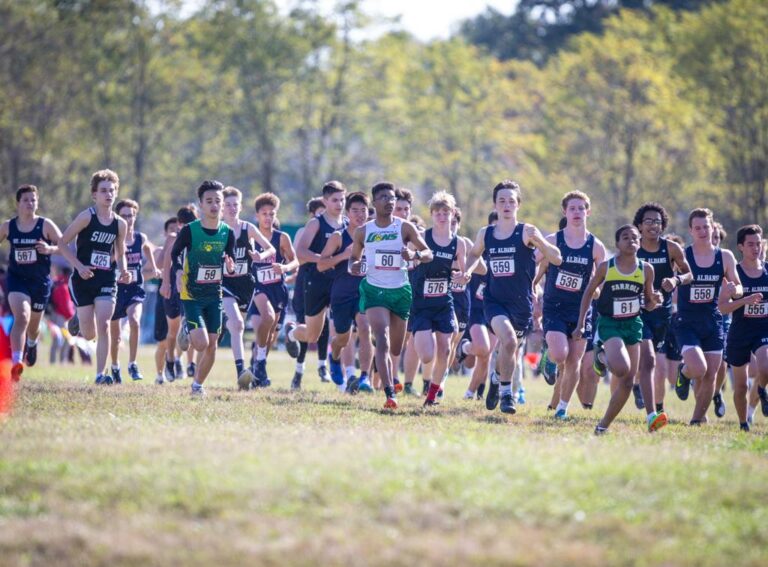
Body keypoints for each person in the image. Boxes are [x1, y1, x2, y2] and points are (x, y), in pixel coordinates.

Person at [462, 180, 562, 415]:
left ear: (518, 204)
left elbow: (556, 259)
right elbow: (474, 254)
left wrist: (542, 243)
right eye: (501, 201)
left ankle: (497, 379)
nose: (506, 205)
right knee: (506, 340)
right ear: (495, 204)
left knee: (509, 349)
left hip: (522, 304)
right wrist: (467, 271)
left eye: (511, 201)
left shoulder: (527, 231)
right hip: (494, 301)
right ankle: (508, 395)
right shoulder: (486, 233)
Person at [349, 182, 433, 410]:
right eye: (384, 197)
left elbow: (428, 253)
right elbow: (354, 258)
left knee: (396, 348)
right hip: (374, 290)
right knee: (382, 340)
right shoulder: (364, 231)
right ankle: (389, 394)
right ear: (374, 203)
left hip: (400, 292)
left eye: (392, 198)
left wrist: (414, 253)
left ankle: (386, 374)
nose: (389, 201)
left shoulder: (405, 228)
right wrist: (355, 265)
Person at [574, 224, 665, 434]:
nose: (631, 241)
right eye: (626, 237)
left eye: (635, 238)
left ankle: (602, 426)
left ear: (640, 242)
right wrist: (581, 323)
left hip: (633, 325)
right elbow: (588, 292)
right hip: (610, 323)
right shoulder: (608, 267)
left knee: (626, 382)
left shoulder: (646, 269)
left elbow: (649, 303)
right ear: (617, 244)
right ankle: (601, 357)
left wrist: (656, 300)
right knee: (622, 369)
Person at [58, 170, 131, 385]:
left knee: (105, 324)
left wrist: (123, 269)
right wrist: (79, 266)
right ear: (94, 195)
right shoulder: (86, 217)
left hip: (106, 279)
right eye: (103, 191)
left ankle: (100, 375)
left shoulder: (120, 224)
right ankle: (80, 320)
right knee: (89, 334)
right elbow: (62, 243)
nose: (108, 195)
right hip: (82, 279)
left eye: (112, 190)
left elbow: (120, 251)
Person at [540, 191, 606, 420]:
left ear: (588, 211)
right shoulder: (552, 240)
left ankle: (562, 409)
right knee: (561, 355)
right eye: (572, 208)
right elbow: (533, 263)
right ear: (565, 212)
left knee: (573, 361)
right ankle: (548, 354)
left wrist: (597, 289)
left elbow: (601, 281)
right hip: (554, 307)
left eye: (581, 208)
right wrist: (530, 287)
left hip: (581, 311)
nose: (577, 213)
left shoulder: (596, 247)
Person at [166, 180, 237, 397]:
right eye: (209, 201)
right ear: (201, 204)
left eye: (218, 201)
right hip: (192, 293)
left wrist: (230, 266)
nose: (214, 205)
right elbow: (175, 253)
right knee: (200, 343)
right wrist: (178, 272)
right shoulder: (190, 230)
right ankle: (187, 327)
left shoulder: (227, 232)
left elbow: (230, 259)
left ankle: (197, 385)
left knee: (213, 345)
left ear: (223, 204)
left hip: (214, 294)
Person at [674, 208, 741, 425]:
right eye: (698, 228)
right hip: (687, 322)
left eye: (706, 227)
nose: (703, 231)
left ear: (713, 228)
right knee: (699, 369)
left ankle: (697, 419)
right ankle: (684, 373)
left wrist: (734, 291)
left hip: (713, 322)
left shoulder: (725, 256)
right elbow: (671, 284)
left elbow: (738, 287)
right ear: (691, 230)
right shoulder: (682, 255)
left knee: (711, 374)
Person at [633, 202, 692, 417]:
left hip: (662, 315)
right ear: (639, 225)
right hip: (637, 312)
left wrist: (675, 280)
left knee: (653, 364)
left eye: (657, 222)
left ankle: (645, 394)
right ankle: (654, 412)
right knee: (650, 360)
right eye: (648, 221)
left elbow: (689, 274)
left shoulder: (671, 248)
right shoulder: (633, 247)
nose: (653, 225)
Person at [0, 185, 62, 381]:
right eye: (26, 200)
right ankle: (17, 361)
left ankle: (32, 343)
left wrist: (49, 249)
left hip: (40, 282)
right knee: (22, 317)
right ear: (18, 203)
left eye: (33, 200)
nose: (30, 203)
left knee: (34, 325)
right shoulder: (8, 226)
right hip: (17, 279)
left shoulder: (45, 225)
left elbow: (64, 246)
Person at [411, 191, 467, 406]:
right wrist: (412, 259)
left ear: (452, 214)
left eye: (446, 212)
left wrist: (462, 276)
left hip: (444, 301)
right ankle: (424, 375)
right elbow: (409, 257)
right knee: (427, 356)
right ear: (432, 214)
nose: (442, 217)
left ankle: (432, 395)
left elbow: (463, 275)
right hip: (422, 303)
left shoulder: (459, 243)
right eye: (438, 213)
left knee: (445, 349)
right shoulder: (422, 237)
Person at [221, 187, 275, 389]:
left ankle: (242, 373)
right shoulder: (218, 230)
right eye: (228, 204)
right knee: (238, 325)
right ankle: (241, 372)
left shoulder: (248, 228)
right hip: (224, 283)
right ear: (221, 207)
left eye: (236, 204)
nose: (232, 208)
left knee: (237, 327)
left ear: (241, 206)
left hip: (246, 284)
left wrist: (261, 255)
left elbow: (271, 247)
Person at [318, 191, 372, 392]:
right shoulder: (338, 237)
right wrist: (343, 256)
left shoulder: (374, 237)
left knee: (366, 329)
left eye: (363, 210)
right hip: (341, 295)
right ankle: (334, 356)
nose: (359, 215)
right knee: (343, 338)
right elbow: (321, 265)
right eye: (355, 210)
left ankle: (365, 377)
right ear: (348, 213)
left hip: (365, 293)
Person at [719, 225, 768, 431]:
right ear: (741, 247)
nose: (755, 248)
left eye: (758, 244)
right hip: (739, 332)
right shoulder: (734, 273)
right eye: (750, 244)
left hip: (763, 330)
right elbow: (722, 308)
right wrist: (745, 300)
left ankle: (760, 394)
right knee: (740, 386)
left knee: (766, 367)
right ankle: (743, 422)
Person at [108, 199, 161, 382]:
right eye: (124, 216)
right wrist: (118, 251)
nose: (128, 219)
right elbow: (108, 261)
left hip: (135, 289)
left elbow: (147, 249)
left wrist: (153, 267)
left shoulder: (140, 237)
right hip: (115, 289)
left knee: (134, 321)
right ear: (117, 217)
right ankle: (115, 366)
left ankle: (132, 363)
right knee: (115, 337)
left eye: (131, 216)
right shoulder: (113, 239)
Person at [249, 193, 298, 387]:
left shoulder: (282, 237)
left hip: (278, 287)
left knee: (271, 335)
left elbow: (295, 260)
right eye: (264, 213)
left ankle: (259, 368)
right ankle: (259, 362)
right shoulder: (251, 236)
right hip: (258, 286)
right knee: (267, 318)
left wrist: (285, 268)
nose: (268, 217)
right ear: (257, 215)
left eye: (271, 213)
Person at [287, 196, 332, 387]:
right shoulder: (304, 231)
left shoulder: (333, 231)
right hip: (305, 282)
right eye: (320, 212)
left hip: (326, 281)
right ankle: (299, 371)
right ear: (312, 214)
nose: (323, 216)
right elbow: (300, 257)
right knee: (305, 326)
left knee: (325, 324)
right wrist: (322, 257)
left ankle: (323, 365)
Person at [159, 206, 199, 382]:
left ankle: (190, 363)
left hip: (190, 288)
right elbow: (166, 261)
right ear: (179, 224)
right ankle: (170, 360)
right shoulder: (173, 238)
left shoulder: (198, 237)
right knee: (173, 330)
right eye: (184, 224)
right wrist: (165, 283)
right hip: (173, 289)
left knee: (189, 326)